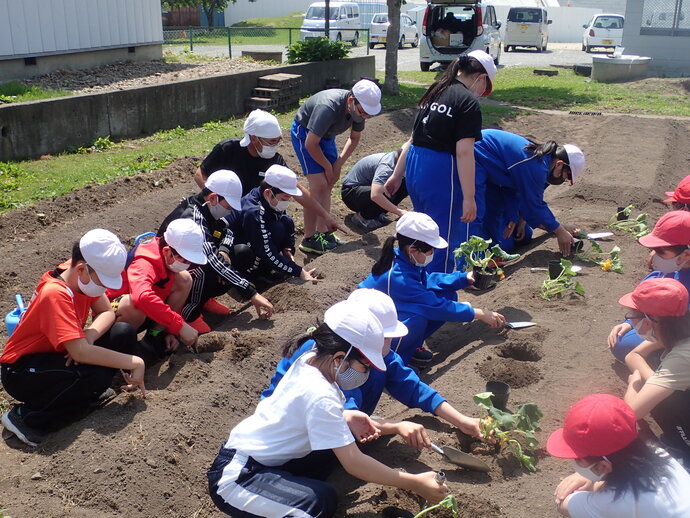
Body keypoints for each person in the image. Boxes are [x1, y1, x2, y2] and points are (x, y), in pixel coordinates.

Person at [207, 300, 448, 517]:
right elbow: (354, 463)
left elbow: (304, 407)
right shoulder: (320, 393)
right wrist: (414, 482)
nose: (365, 374)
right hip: (238, 477)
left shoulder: (313, 358)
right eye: (365, 366)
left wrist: (345, 415)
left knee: (325, 496)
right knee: (310, 508)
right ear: (339, 358)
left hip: (271, 462)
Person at [262, 288, 484, 443]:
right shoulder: (323, 359)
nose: (389, 342)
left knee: (381, 372)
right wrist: (395, 425)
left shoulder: (367, 351)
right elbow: (340, 414)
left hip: (340, 422)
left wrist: (462, 421)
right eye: (386, 337)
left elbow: (411, 386)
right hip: (295, 435)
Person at [0, 229, 147, 447]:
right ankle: (25, 417)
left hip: (64, 352)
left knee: (122, 332)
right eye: (104, 282)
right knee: (89, 376)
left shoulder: (81, 274)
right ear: (81, 268)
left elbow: (107, 312)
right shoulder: (56, 293)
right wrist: (134, 361)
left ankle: (92, 392)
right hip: (22, 370)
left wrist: (90, 334)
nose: (105, 288)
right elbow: (80, 353)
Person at [384, 50, 497, 273]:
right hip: (440, 169)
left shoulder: (436, 90)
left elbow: (412, 139)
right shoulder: (467, 103)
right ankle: (438, 293)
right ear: (481, 77)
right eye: (485, 88)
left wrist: (397, 175)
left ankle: (414, 280)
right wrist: (470, 197)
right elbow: (464, 153)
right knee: (441, 235)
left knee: (422, 229)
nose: (482, 94)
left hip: (417, 166)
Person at [359, 211, 505, 366]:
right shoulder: (398, 277)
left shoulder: (404, 259)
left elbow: (428, 280)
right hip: (367, 337)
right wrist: (479, 314)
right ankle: (391, 363)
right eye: (430, 251)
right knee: (417, 319)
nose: (433, 254)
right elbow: (435, 306)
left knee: (447, 295)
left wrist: (463, 278)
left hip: (384, 320)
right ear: (413, 250)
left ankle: (409, 348)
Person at [195, 109, 346, 243]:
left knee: (280, 228)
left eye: (278, 141)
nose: (275, 146)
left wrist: (325, 216)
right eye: (272, 142)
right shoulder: (228, 150)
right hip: (228, 212)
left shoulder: (275, 160)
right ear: (254, 138)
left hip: (255, 216)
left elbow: (297, 190)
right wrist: (217, 202)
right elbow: (200, 174)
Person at [158, 170, 274, 334]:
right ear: (213, 198)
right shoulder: (193, 216)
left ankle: (203, 299)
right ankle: (189, 314)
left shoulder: (208, 209)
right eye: (228, 206)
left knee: (241, 253)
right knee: (207, 268)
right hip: (172, 269)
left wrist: (224, 251)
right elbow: (210, 259)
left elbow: (228, 232)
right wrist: (251, 293)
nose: (229, 211)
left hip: (189, 263)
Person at [548, 393, 690, 517]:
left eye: (578, 458)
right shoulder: (657, 453)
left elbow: (564, 506)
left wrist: (593, 483)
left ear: (603, 466)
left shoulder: (615, 503)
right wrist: (592, 476)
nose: (574, 461)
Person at [292, 79, 382, 254]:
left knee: (329, 182)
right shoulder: (328, 107)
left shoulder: (359, 110)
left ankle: (323, 232)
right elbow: (311, 144)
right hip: (305, 134)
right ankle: (309, 238)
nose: (363, 117)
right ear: (350, 101)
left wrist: (338, 164)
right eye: (362, 113)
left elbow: (354, 138)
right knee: (318, 186)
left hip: (326, 136)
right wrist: (327, 166)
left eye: (367, 115)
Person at [106, 218, 208, 359]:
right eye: (185, 260)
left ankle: (154, 336)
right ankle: (118, 353)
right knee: (134, 305)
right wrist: (180, 325)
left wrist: (170, 331)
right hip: (112, 315)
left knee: (184, 279)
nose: (188, 264)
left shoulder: (164, 256)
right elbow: (142, 297)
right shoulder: (144, 262)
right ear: (167, 251)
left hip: (145, 313)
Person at [472, 129, 586, 255]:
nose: (563, 179)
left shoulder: (543, 162)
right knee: (476, 214)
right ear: (559, 164)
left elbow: (513, 188)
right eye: (566, 176)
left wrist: (515, 217)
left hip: (495, 174)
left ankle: (490, 255)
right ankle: (472, 264)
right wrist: (559, 230)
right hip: (477, 153)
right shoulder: (536, 166)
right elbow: (534, 205)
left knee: (524, 234)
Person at [617, 278, 690, 465]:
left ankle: (682, 450)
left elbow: (630, 415)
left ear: (649, 321)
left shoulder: (683, 356)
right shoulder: (678, 327)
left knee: (666, 398)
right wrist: (653, 379)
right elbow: (632, 355)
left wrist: (635, 384)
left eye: (632, 316)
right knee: (657, 373)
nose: (631, 321)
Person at [608, 211, 690, 362]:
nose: (653, 255)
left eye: (660, 251)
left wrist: (644, 349)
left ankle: (665, 361)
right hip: (665, 327)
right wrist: (631, 322)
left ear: (685, 255)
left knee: (625, 345)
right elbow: (647, 298)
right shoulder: (673, 269)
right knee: (621, 339)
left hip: (681, 336)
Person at [225, 164, 317, 287]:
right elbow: (265, 250)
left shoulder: (268, 199)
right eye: (284, 198)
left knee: (285, 222)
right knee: (244, 252)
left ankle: (266, 270)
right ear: (268, 192)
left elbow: (285, 224)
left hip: (255, 238)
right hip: (235, 249)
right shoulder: (254, 212)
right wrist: (298, 271)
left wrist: (287, 248)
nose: (286, 202)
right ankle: (248, 278)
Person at [341, 144, 410, 231]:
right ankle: (363, 217)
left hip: (364, 190)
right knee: (382, 192)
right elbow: (375, 195)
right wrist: (400, 212)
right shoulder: (387, 166)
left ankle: (377, 214)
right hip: (351, 192)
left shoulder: (395, 161)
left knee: (404, 184)